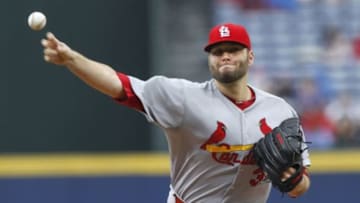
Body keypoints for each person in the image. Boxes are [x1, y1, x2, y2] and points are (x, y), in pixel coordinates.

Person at [41, 23, 311, 203]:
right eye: (217, 52)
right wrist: (72, 59)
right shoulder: (183, 97)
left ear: (249, 56)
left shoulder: (280, 111)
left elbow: (301, 187)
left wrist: (293, 178)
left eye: (232, 50)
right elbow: (119, 85)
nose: (225, 56)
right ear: (210, 59)